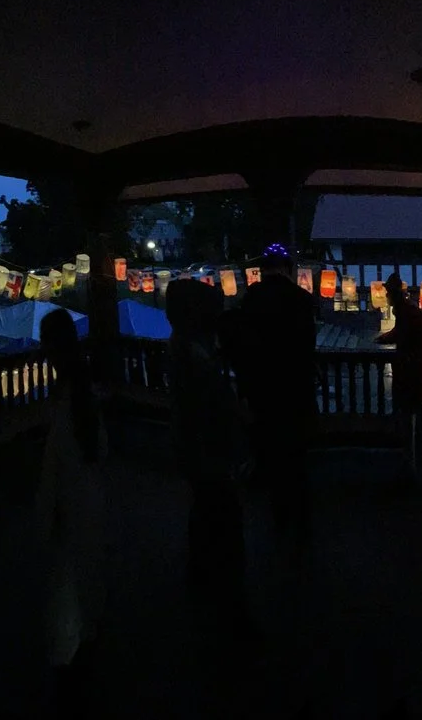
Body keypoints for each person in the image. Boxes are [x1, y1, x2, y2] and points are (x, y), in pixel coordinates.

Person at [165, 279, 255, 638]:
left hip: (197, 451)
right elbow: (213, 403)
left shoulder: (183, 348)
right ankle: (229, 610)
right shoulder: (195, 356)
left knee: (205, 514)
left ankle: (203, 582)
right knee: (222, 522)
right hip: (209, 452)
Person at [34, 309, 107, 712]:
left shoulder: (68, 395)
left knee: (66, 584)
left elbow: (60, 457)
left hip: (70, 496)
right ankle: (86, 645)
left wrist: (53, 502)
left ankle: (70, 665)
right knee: (84, 575)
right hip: (87, 494)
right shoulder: (82, 390)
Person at [227, 247, 320, 533]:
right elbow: (308, 346)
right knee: (297, 459)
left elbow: (241, 347)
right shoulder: (301, 299)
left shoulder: (250, 300)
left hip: (262, 390)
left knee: (272, 456)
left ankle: (279, 517)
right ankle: (301, 521)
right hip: (296, 389)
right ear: (288, 269)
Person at [376, 275, 422, 496]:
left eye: (388, 293)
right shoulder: (407, 313)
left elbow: (412, 335)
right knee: (420, 427)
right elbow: (402, 333)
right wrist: (386, 338)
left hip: (420, 378)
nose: (386, 296)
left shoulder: (408, 314)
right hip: (420, 377)